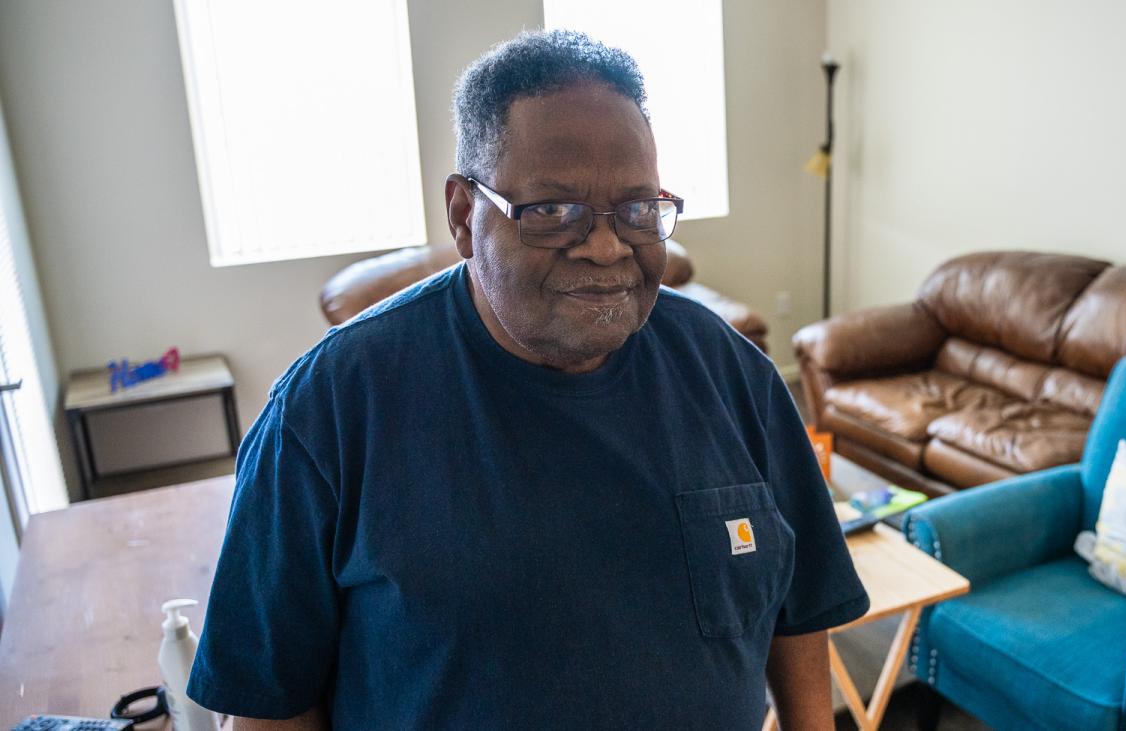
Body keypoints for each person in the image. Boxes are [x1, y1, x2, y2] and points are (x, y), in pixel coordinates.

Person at [186, 29, 869, 730]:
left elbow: (800, 603)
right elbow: (271, 706)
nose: (606, 246)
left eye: (636, 209)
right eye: (551, 211)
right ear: (463, 215)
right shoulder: (327, 410)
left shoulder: (735, 377)